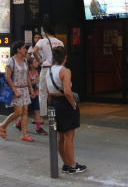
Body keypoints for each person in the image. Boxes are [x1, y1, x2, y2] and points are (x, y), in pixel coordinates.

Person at [46, 46, 86, 174]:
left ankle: (66, 164)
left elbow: (47, 91)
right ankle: (73, 166)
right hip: (64, 104)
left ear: (53, 57)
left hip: (53, 103)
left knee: (59, 136)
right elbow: (68, 92)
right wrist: (73, 104)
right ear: (65, 57)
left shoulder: (49, 71)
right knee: (69, 137)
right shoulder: (65, 71)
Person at [0, 41, 35, 142]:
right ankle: (2, 125)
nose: (26, 50)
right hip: (17, 89)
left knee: (25, 111)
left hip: (24, 88)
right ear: (18, 49)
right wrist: (15, 91)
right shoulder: (11, 61)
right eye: (24, 48)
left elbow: (27, 75)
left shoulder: (24, 60)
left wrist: (30, 88)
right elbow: (7, 76)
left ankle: (24, 134)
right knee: (19, 112)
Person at [33, 23, 64, 124]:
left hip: (46, 68)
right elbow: (64, 55)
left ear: (45, 32)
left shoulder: (42, 41)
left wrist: (39, 60)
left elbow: (34, 51)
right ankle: (58, 114)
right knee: (57, 90)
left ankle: (42, 117)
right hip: (57, 69)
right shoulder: (60, 42)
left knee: (42, 92)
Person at [14, 57, 47, 135]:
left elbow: (39, 79)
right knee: (26, 111)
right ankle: (18, 123)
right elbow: (26, 82)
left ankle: (38, 127)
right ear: (31, 65)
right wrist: (33, 82)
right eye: (35, 62)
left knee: (37, 110)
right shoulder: (27, 72)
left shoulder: (37, 71)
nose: (37, 63)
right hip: (28, 94)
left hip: (36, 93)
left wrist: (37, 81)